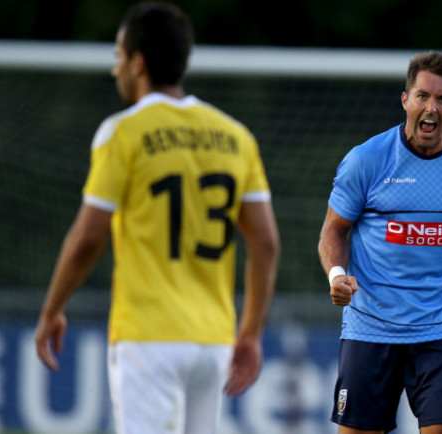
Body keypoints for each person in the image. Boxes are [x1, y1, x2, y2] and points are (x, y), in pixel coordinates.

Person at [34, 2, 280, 433]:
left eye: (118, 58)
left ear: (138, 62)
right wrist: (251, 332)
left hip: (149, 335)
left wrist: (52, 308)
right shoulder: (236, 136)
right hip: (213, 340)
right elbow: (266, 243)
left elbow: (89, 237)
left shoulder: (123, 131)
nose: (116, 70)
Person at [318, 51, 442, 434]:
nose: (431, 107)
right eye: (423, 95)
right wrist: (337, 275)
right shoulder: (366, 160)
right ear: (405, 100)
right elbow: (333, 230)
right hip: (372, 324)